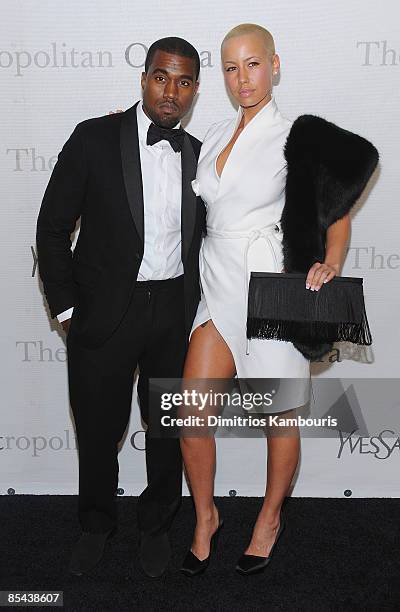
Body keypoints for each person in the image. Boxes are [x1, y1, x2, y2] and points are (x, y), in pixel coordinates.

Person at [179, 23, 377, 576]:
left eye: (253, 64)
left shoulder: (298, 135)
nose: (242, 78)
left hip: (271, 292)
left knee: (279, 416)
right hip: (217, 282)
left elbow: (335, 211)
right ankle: (205, 516)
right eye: (230, 67)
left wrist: (331, 261)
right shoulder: (215, 135)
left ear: (275, 64)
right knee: (191, 411)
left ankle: (269, 518)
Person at [36, 37, 205, 578]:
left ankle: (155, 526)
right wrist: (65, 309)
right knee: (98, 428)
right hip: (105, 314)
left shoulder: (201, 155)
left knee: (165, 430)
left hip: (174, 315)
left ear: (195, 90)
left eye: (183, 82)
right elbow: (53, 227)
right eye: (162, 77)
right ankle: (95, 524)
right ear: (144, 77)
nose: (170, 92)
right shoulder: (93, 138)